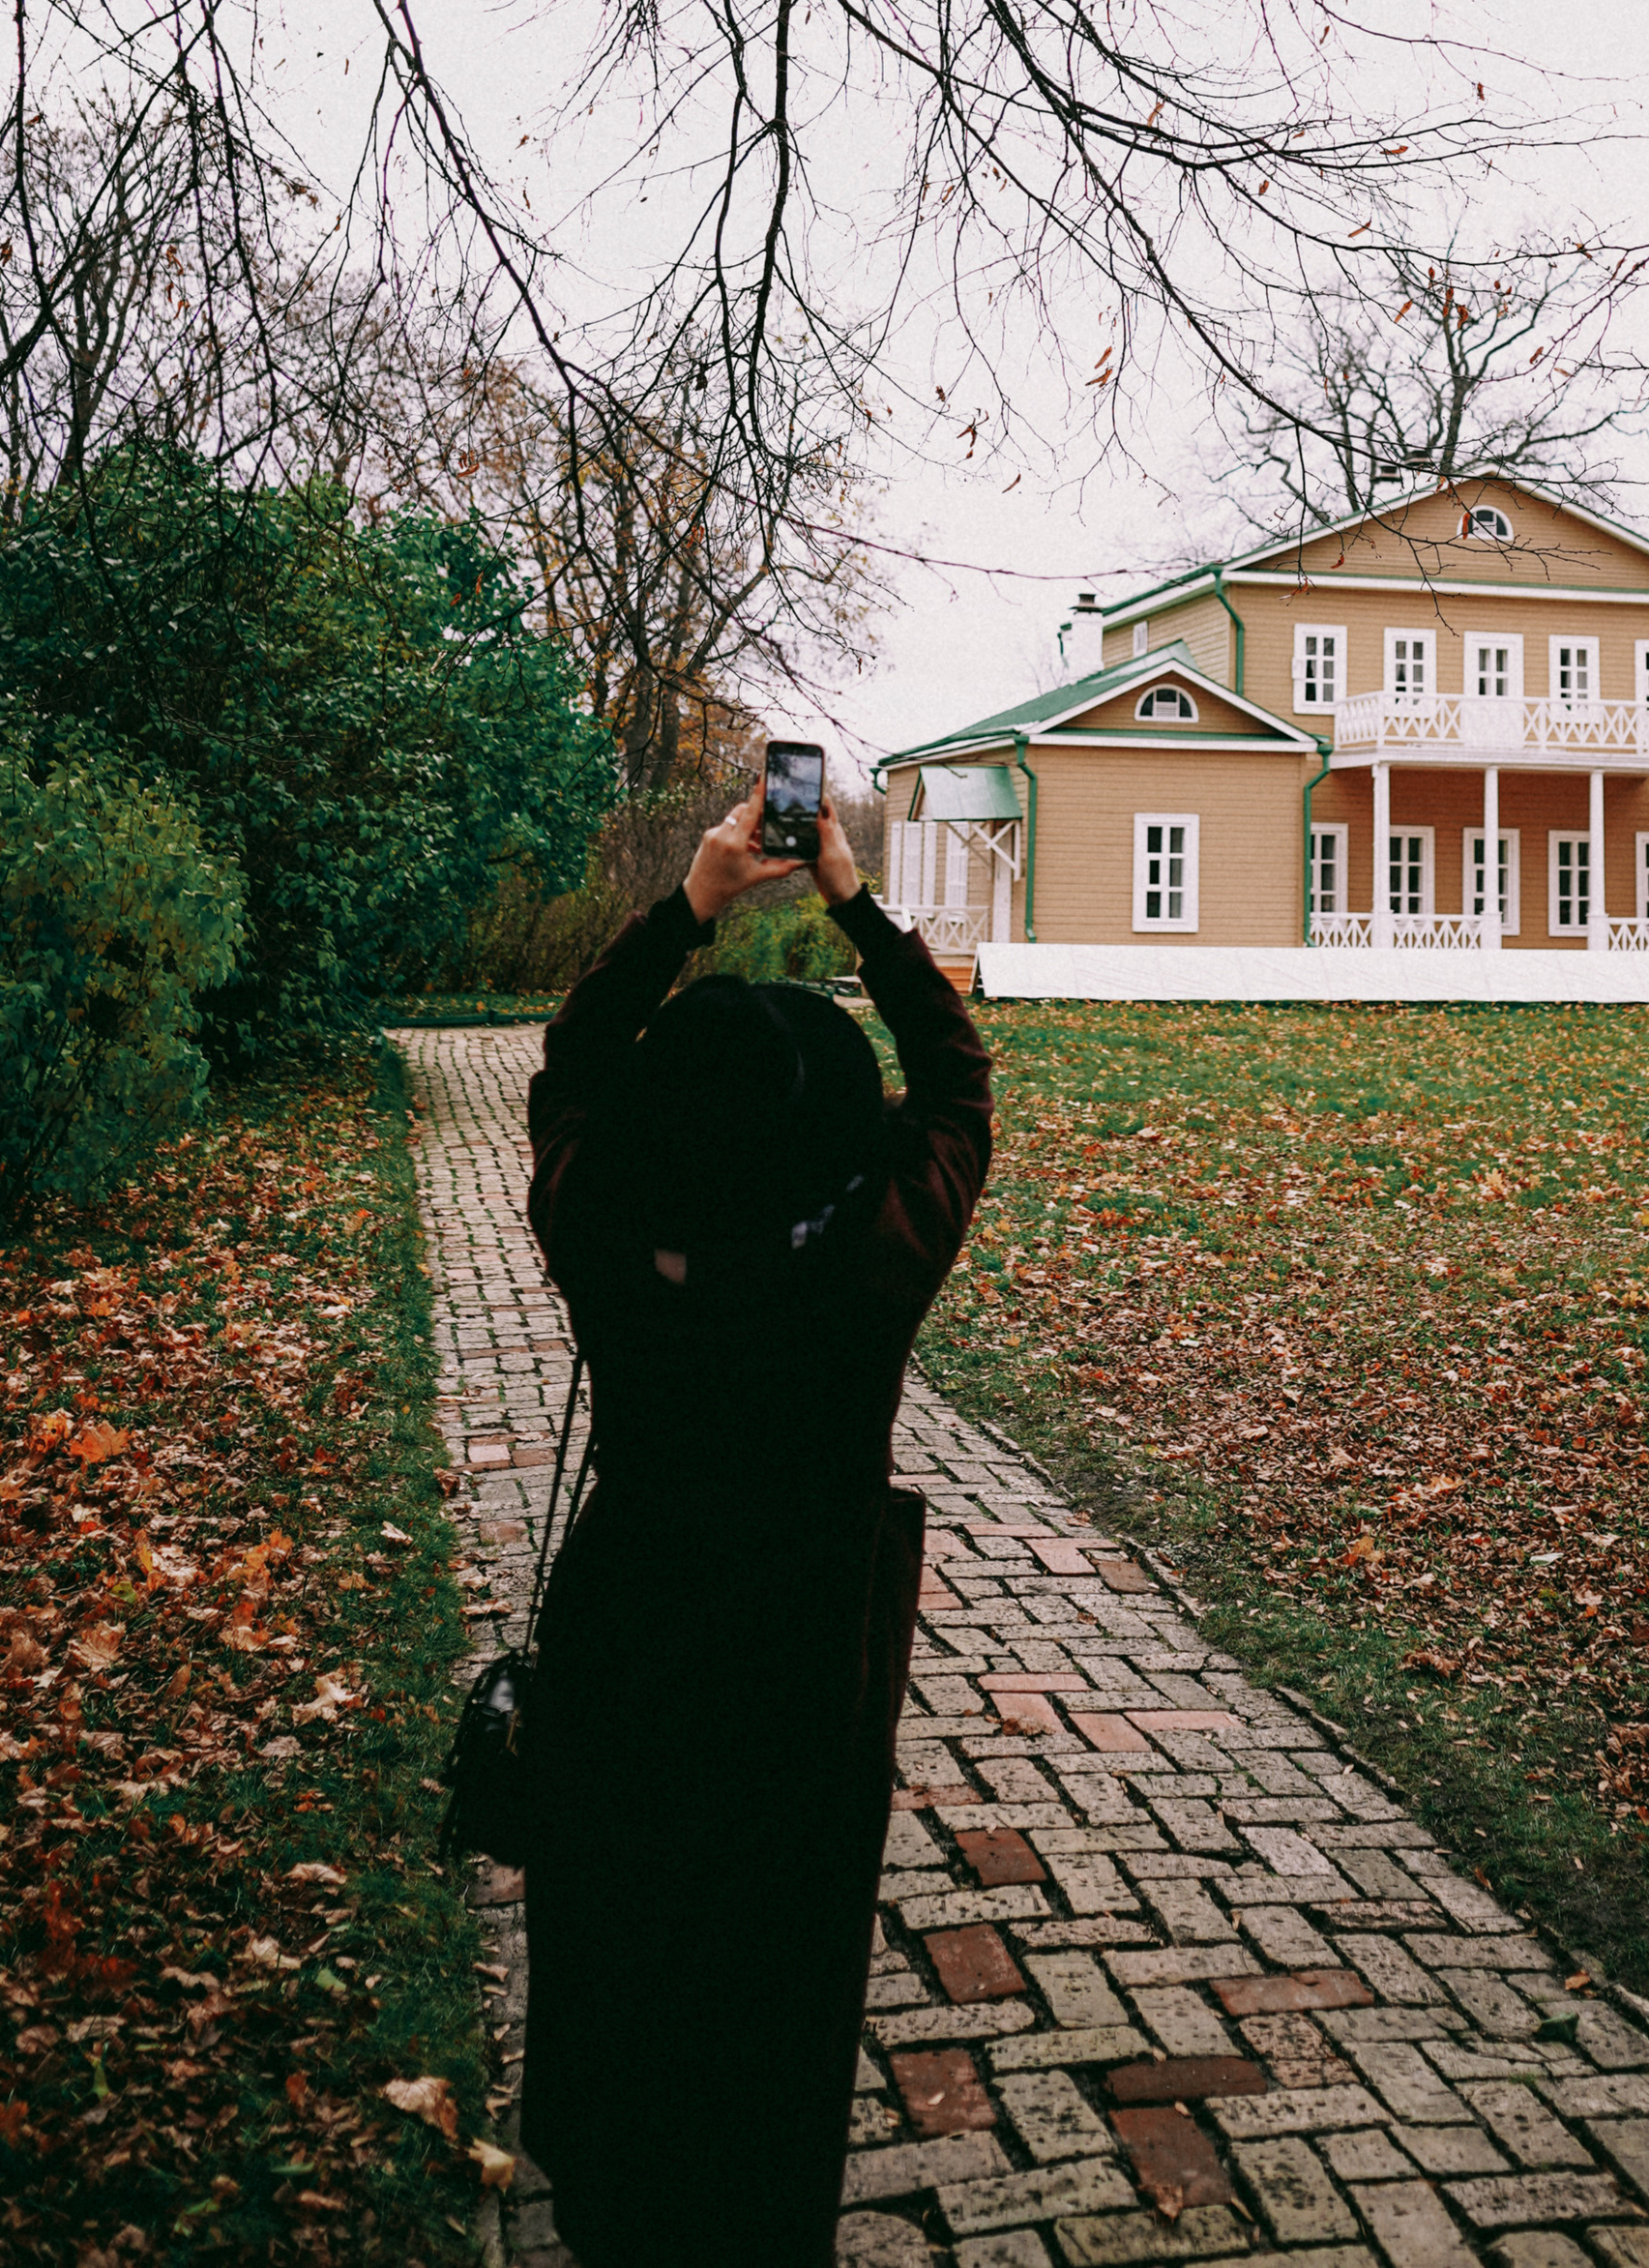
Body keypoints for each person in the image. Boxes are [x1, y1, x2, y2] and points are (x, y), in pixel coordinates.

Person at [515, 779, 992, 2266]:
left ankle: (604, 2186)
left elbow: (576, 1062)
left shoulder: (600, 1226)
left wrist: (696, 902)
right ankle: (755, 2210)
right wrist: (850, 902)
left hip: (630, 1611)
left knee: (615, 1899)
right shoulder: (865, 1273)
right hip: (804, 1650)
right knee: (775, 1941)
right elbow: (960, 1082)